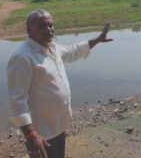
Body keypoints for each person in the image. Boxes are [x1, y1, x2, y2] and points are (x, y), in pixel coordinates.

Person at [7, 9, 113, 158]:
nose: (48, 30)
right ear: (29, 30)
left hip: (58, 126)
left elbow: (72, 52)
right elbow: (17, 101)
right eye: (42, 27)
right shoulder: (22, 57)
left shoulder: (52, 47)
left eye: (50, 25)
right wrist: (31, 135)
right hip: (41, 133)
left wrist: (97, 40)